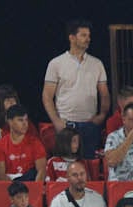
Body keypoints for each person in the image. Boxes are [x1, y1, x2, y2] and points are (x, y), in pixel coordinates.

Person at [41, 20, 109, 157]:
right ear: (71, 38)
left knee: (90, 167)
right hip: (66, 124)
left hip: (89, 125)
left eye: (89, 36)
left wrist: (101, 116)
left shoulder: (97, 64)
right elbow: (47, 96)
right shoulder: (56, 63)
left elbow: (105, 94)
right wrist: (57, 122)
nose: (88, 39)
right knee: (65, 166)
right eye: (83, 35)